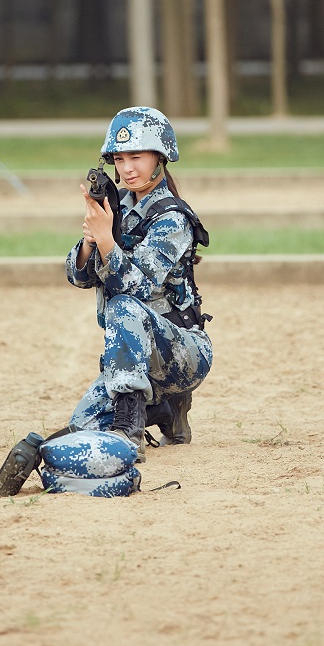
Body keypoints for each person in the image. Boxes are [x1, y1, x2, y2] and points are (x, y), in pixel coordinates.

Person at [65, 106, 213, 463]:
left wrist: (106, 241)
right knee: (81, 427)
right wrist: (91, 238)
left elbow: (138, 290)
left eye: (136, 156)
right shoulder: (119, 207)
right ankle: (161, 409)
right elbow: (77, 276)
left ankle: (131, 427)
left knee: (124, 306)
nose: (126, 168)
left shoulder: (172, 217)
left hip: (183, 352)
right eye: (118, 158)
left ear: (160, 158)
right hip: (135, 358)